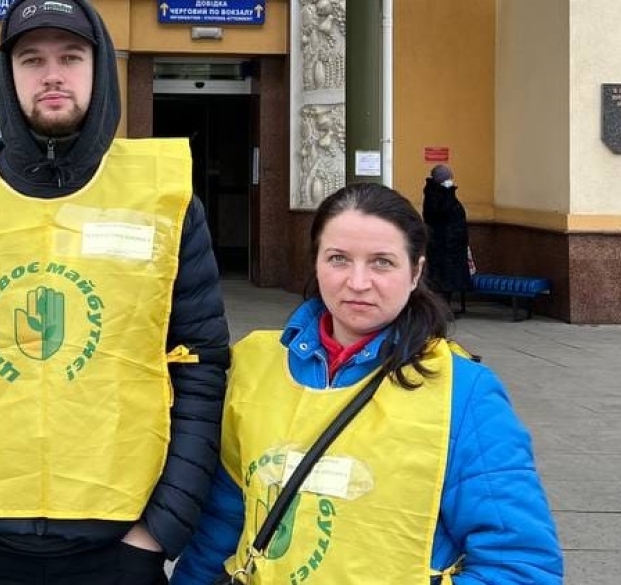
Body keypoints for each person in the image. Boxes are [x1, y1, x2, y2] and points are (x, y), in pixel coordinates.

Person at [0, 0, 230, 583]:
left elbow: (201, 366)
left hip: (120, 538)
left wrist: (161, 531)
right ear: (8, 76)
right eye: (32, 59)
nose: (52, 74)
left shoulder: (164, 197)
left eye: (71, 56)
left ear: (100, 67)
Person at [171, 183, 562, 584]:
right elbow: (223, 520)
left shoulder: (464, 392)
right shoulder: (256, 363)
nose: (358, 282)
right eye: (338, 259)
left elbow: (521, 566)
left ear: (415, 272)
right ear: (316, 263)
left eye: (381, 263)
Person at [422, 164, 472, 313]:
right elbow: (440, 213)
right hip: (443, 246)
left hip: (451, 246)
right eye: (447, 177)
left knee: (448, 280)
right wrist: (449, 191)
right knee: (442, 280)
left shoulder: (442, 193)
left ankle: (445, 308)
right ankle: (441, 310)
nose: (450, 180)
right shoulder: (436, 194)